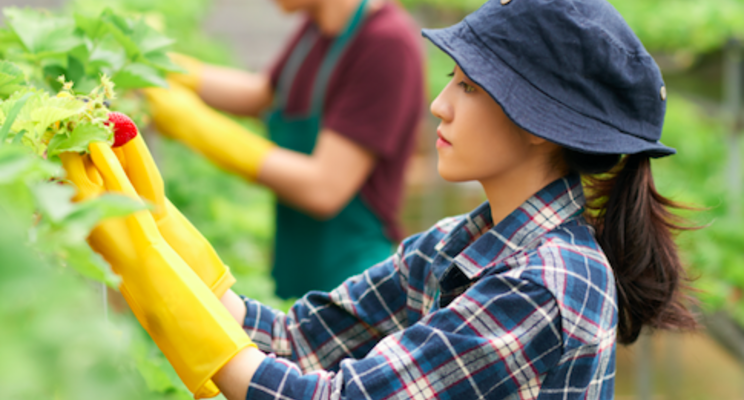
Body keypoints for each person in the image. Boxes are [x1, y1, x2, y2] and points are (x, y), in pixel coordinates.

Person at [65, 0, 698, 398]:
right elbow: (294, 338)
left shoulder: (544, 287)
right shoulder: (461, 241)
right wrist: (149, 219)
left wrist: (146, 269)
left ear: (538, 120)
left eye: (469, 86)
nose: (439, 104)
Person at [144, 0, 425, 298]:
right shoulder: (319, 26)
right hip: (300, 263)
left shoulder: (386, 45)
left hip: (355, 279)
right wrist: (167, 68)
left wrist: (193, 124)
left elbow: (325, 187)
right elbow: (262, 93)